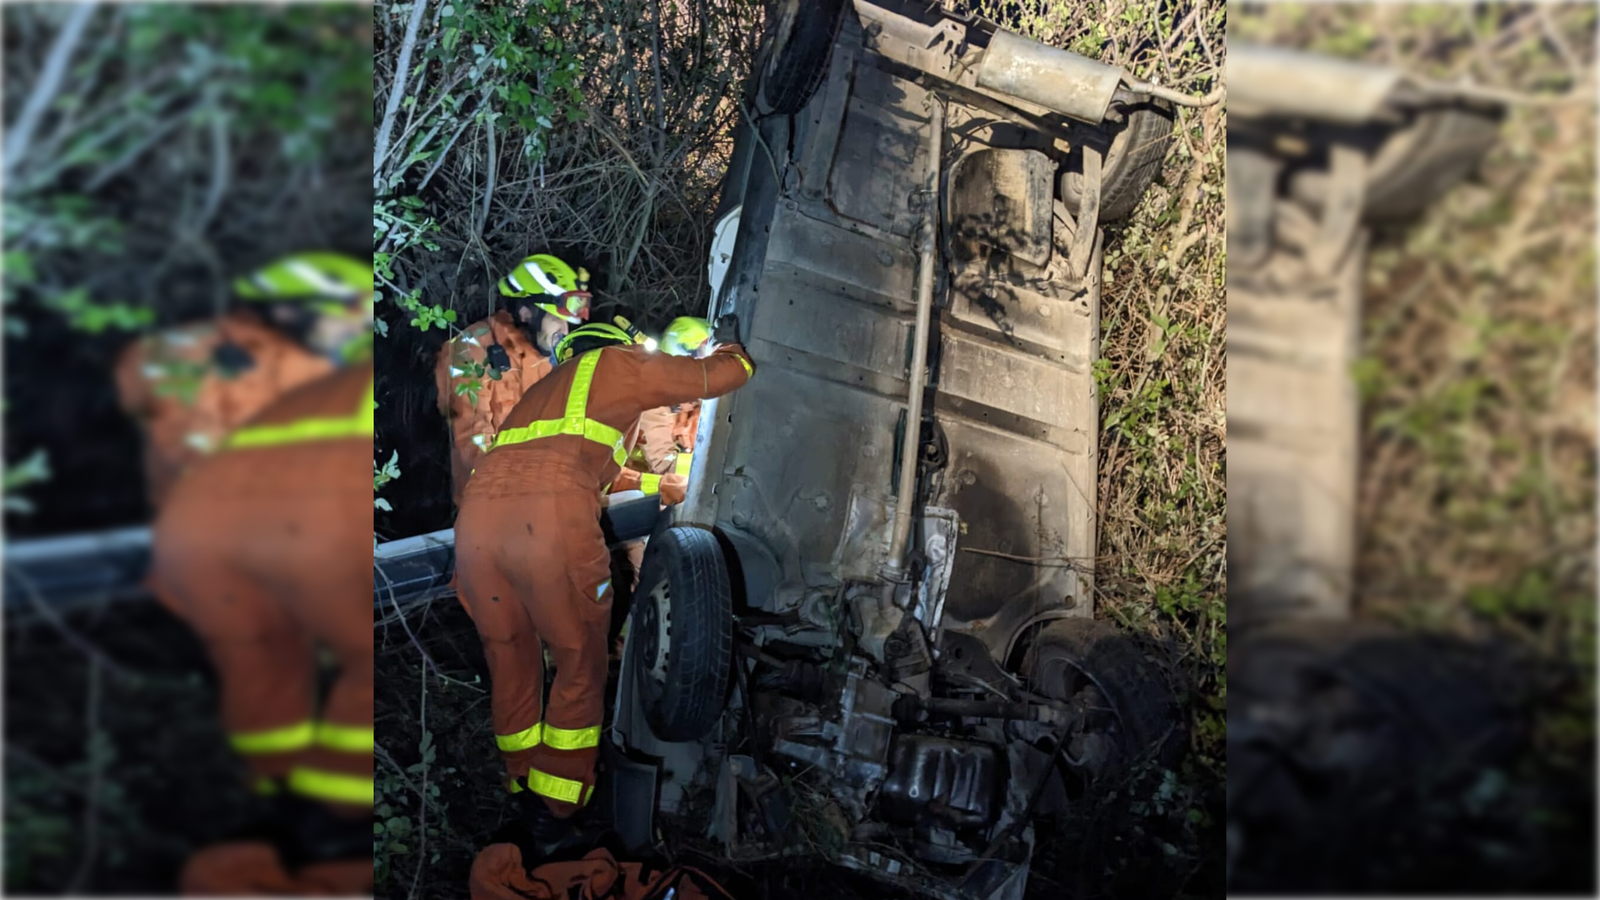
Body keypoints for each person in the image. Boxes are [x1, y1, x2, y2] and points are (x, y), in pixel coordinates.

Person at [452, 315, 752, 847]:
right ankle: (557, 807)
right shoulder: (618, 363)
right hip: (548, 518)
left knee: (509, 652)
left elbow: (595, 463)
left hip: (476, 525)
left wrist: (663, 484)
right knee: (579, 656)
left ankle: (522, 780)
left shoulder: (546, 391)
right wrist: (735, 348)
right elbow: (718, 377)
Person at [147, 252, 375, 900]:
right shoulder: (239, 362)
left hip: (215, 545)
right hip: (257, 538)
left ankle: (282, 799)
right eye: (345, 322)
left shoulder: (217, 360)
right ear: (298, 312)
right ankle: (330, 816)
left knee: (269, 673)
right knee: (347, 655)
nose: (351, 339)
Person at [113, 255, 368, 510]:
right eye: (345, 317)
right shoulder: (183, 355)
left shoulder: (317, 363)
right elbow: (192, 454)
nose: (355, 330)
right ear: (289, 312)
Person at [437, 254, 592, 506]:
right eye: (557, 320)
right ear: (526, 312)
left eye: (568, 323)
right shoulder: (472, 349)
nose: (564, 331)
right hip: (489, 507)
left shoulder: (551, 360)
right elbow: (472, 437)